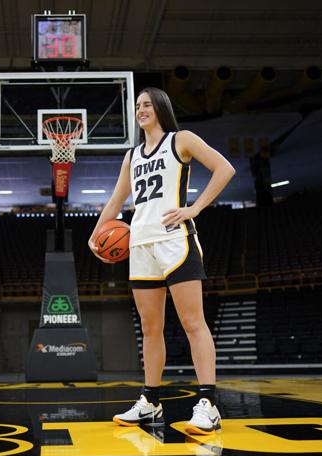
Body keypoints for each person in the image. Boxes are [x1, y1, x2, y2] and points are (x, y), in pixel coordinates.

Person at [88, 87, 235, 435]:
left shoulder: (181, 140)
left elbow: (224, 169)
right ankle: (150, 402)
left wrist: (194, 207)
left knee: (192, 322)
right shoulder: (132, 156)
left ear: (161, 109)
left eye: (147, 105)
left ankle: (209, 405)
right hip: (139, 244)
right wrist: (94, 236)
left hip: (175, 240)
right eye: (137, 105)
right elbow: (115, 202)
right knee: (151, 328)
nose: (141, 110)